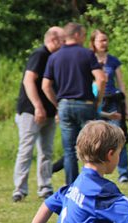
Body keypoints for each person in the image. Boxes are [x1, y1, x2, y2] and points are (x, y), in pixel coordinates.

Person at [42, 22, 106, 185]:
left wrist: (58, 103)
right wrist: (97, 99)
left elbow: (46, 85)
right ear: (76, 35)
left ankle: (72, 187)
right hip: (85, 103)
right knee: (91, 148)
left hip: (65, 105)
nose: (85, 38)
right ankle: (91, 184)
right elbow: (101, 78)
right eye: (84, 35)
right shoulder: (87, 54)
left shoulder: (54, 57)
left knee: (70, 150)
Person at [12, 26, 64, 202]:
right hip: (30, 111)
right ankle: (19, 189)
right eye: (63, 41)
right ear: (53, 40)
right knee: (26, 150)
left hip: (49, 112)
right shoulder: (40, 54)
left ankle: (45, 187)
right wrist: (38, 107)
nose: (65, 45)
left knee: (46, 151)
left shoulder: (55, 58)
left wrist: (56, 108)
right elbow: (28, 81)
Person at [91, 29, 128, 183]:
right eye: (101, 40)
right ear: (93, 42)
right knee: (95, 137)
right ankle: (96, 172)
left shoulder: (113, 61)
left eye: (106, 40)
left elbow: (122, 85)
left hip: (112, 101)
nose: (104, 43)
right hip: (96, 101)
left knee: (118, 136)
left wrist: (127, 107)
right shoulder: (89, 60)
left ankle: (123, 172)